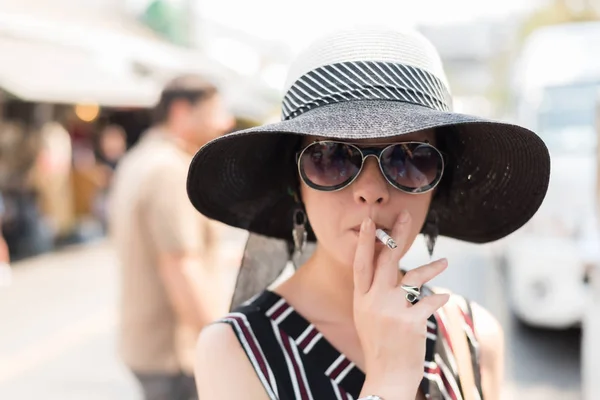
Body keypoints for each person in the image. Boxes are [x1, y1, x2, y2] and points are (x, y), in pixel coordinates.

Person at [187, 26, 551, 400]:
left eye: (410, 159)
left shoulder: (471, 335)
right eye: (331, 158)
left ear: (437, 183)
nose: (371, 192)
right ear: (296, 183)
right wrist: (388, 382)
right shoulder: (235, 352)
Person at [108, 74, 239, 400]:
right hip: (175, 353)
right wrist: (224, 350)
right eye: (215, 111)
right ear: (181, 112)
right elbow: (180, 266)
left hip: (145, 345)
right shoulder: (171, 170)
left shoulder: (139, 158)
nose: (226, 122)